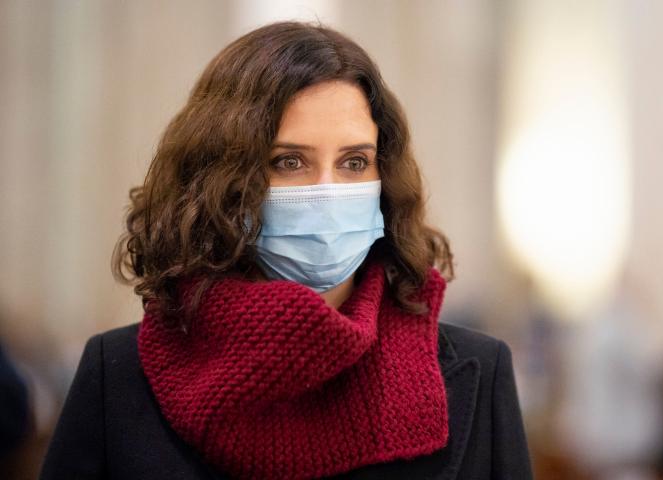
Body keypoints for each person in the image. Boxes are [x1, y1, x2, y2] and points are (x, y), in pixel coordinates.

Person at [39, 20, 532, 480]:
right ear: (222, 182)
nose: (327, 191)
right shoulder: (116, 374)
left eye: (354, 162)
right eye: (289, 161)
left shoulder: (479, 371)